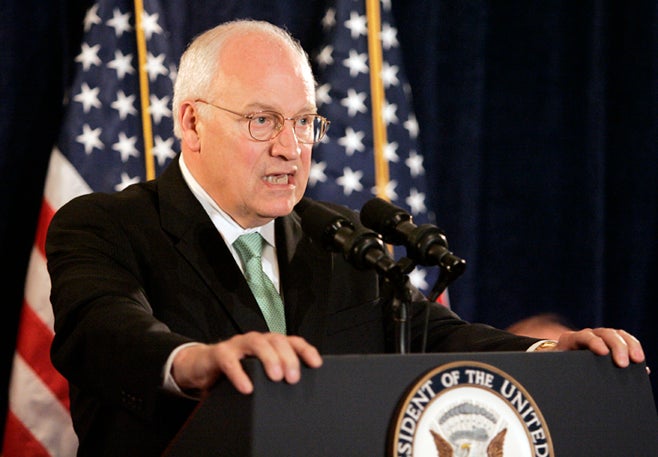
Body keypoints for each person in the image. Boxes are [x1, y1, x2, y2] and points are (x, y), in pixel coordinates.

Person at [46, 19, 645, 456]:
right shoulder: (106, 225)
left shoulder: (336, 236)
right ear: (192, 122)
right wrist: (194, 361)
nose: (290, 147)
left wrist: (548, 357)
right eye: (262, 120)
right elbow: (103, 328)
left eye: (304, 122)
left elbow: (431, 333)